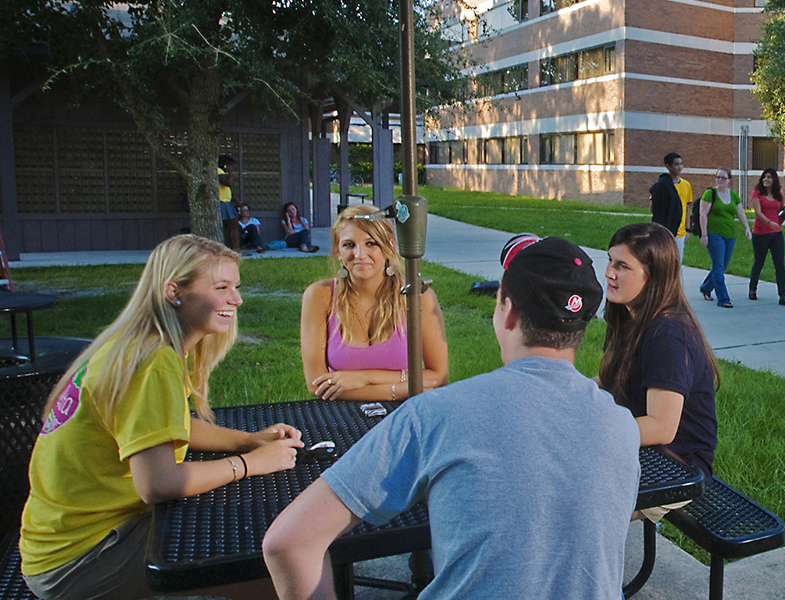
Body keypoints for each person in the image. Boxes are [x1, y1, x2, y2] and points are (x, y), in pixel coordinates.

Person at [263, 236, 639, 600]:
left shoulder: (436, 414)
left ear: (507, 313)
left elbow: (288, 543)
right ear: (580, 327)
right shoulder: (621, 425)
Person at [19, 234, 302, 600]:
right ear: (174, 292)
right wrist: (249, 463)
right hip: (80, 560)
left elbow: (167, 428)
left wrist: (249, 439)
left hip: (67, 542)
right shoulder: (153, 363)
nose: (237, 299)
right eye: (221, 287)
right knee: (286, 571)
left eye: (236, 286)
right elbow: (158, 484)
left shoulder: (140, 345)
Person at [599, 223, 718, 521]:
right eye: (609, 261)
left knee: (579, 505)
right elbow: (607, 382)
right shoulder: (625, 315)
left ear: (652, 276)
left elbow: (662, 427)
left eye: (622, 266)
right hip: (643, 448)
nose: (609, 273)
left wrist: (592, 431)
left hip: (679, 463)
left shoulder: (668, 334)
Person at [299, 205, 448, 401]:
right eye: (349, 245)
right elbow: (316, 384)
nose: (360, 254)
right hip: (340, 417)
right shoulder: (319, 295)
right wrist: (400, 389)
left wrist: (361, 378)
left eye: (371, 243)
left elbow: (439, 376)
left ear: (389, 246)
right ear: (337, 250)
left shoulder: (416, 296)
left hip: (405, 413)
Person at [696, 167, 751, 308]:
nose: (720, 180)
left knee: (721, 266)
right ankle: (723, 299)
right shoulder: (710, 193)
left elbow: (741, 213)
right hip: (714, 234)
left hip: (729, 235)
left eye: (723, 178)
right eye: (718, 177)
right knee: (719, 266)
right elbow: (702, 214)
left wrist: (747, 229)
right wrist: (704, 234)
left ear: (729, 180)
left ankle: (706, 288)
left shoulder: (733, 195)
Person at [747, 168, 785, 306]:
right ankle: (752, 289)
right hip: (761, 233)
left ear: (774, 179)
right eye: (764, 177)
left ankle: (783, 296)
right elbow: (757, 213)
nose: (766, 180)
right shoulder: (757, 193)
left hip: (776, 234)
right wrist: (770, 222)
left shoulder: (778, 195)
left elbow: (781, 211)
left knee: (780, 265)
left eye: (769, 177)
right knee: (759, 263)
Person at [648, 152, 691, 260]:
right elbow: (653, 209)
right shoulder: (661, 185)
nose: (680, 167)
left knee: (677, 264)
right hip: (665, 230)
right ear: (668, 166)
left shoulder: (686, 185)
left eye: (681, 164)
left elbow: (687, 207)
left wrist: (687, 229)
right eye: (676, 164)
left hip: (680, 232)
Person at [219, 156, 241, 252]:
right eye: (230, 165)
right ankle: (236, 248)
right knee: (232, 224)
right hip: (221, 202)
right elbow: (228, 183)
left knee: (228, 226)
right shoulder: (218, 171)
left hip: (226, 201)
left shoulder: (222, 172)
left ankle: (232, 247)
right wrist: (230, 172)